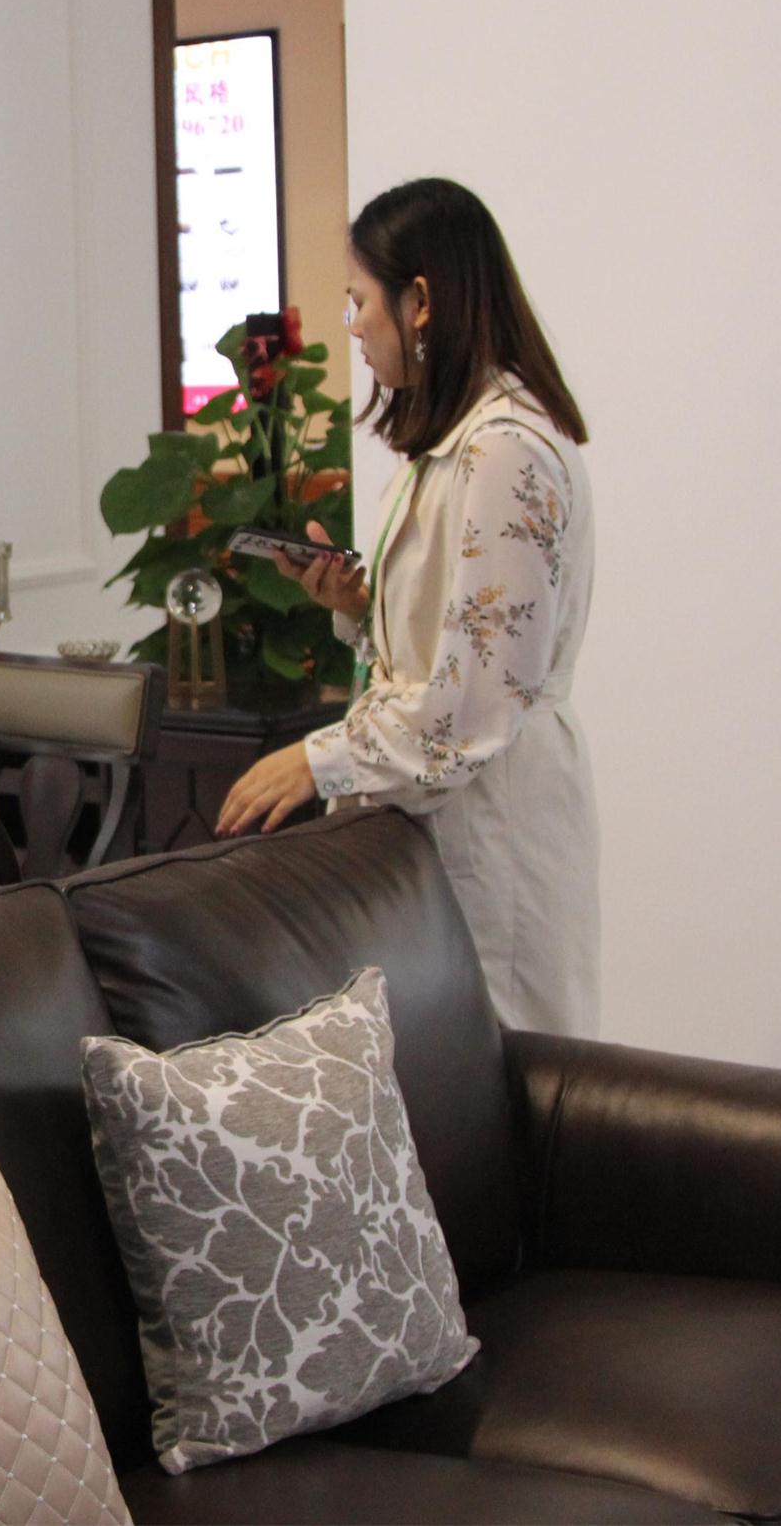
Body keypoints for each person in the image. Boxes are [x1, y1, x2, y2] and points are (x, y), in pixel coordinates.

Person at [215, 177, 600, 1035]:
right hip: (444, 817)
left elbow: (474, 703)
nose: (350, 325)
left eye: (359, 301)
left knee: (501, 1064)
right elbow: (449, 642)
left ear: (419, 301)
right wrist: (358, 606)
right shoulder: (452, 444)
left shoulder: (504, 453)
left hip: (493, 824)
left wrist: (315, 761)